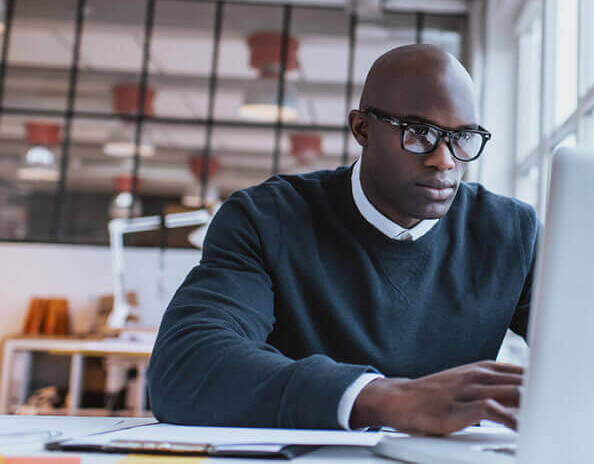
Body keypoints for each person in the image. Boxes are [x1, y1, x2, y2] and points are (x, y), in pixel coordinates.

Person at [147, 44, 541, 435]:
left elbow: (592, 352)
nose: (445, 160)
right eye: (419, 133)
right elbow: (185, 365)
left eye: (463, 137)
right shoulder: (267, 219)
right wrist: (381, 399)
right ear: (362, 129)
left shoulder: (511, 233)